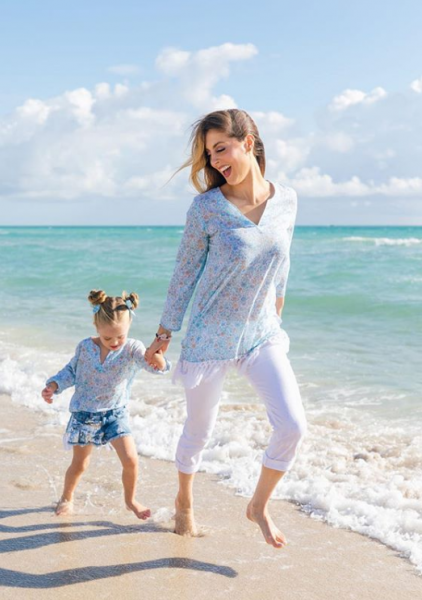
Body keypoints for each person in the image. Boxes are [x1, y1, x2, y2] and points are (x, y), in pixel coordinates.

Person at [145, 109, 307, 547]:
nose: (215, 161)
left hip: (261, 334)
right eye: (209, 154)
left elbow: (283, 262)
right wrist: (163, 335)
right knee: (199, 430)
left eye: (221, 148)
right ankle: (184, 501)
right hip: (209, 336)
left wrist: (277, 310)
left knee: (292, 425)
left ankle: (258, 505)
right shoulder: (206, 208)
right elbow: (184, 274)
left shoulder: (287, 200)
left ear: (248, 142)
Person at [42, 289, 170, 519]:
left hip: (115, 414)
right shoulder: (85, 347)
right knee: (80, 464)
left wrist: (159, 359)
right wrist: (53, 385)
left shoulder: (132, 348)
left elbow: (152, 364)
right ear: (97, 328)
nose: (115, 342)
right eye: (107, 338)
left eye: (120, 336)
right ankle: (66, 498)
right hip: (85, 414)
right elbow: (71, 372)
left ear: (129, 326)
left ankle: (130, 500)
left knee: (131, 459)